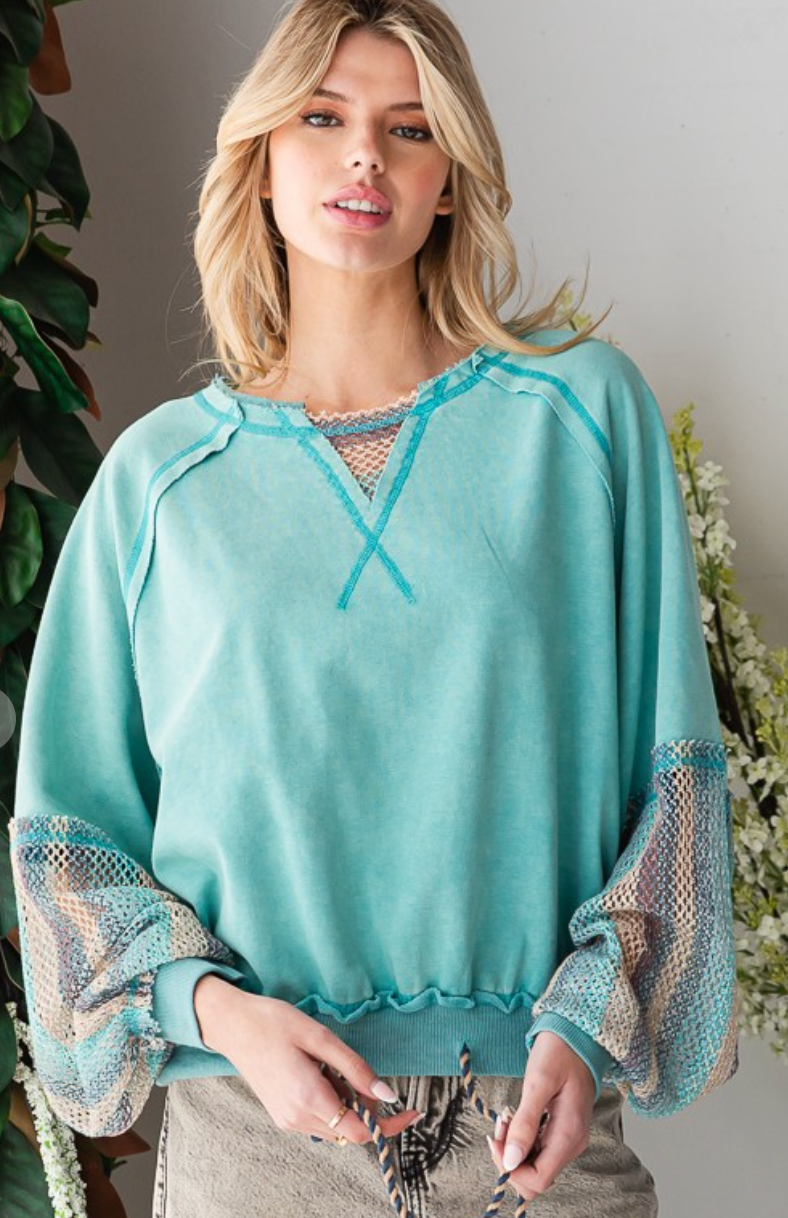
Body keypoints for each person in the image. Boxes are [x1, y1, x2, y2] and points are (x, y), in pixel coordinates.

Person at [9, 1, 740, 1215]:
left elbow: (671, 786)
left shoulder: (579, 420)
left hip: (533, 1125)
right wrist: (219, 1014)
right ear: (259, 158)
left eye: (408, 129)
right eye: (322, 117)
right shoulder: (157, 483)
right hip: (255, 1142)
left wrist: (578, 1024)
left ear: (448, 179)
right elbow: (67, 854)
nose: (364, 156)